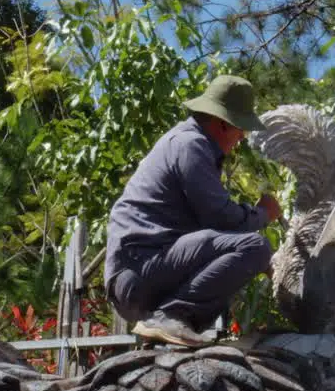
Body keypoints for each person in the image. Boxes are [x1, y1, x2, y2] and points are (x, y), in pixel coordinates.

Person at [103, 75, 282, 347]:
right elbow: (221, 218)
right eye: (240, 128)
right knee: (255, 248)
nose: (242, 137)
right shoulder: (190, 145)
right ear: (223, 123)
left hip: (142, 272)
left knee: (239, 254)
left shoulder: (188, 143)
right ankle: (172, 315)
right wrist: (263, 215)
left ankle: (170, 323)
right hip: (139, 273)